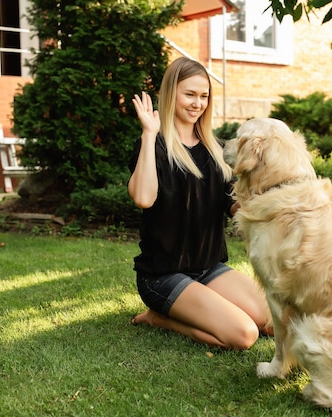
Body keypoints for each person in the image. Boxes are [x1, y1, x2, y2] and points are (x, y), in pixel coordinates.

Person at [128, 57, 272, 350]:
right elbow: (143, 198)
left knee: (271, 320)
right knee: (244, 335)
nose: (197, 103)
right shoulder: (153, 145)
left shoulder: (214, 149)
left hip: (208, 268)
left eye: (204, 95)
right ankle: (159, 317)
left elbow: (235, 206)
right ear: (171, 94)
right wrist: (148, 133)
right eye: (189, 94)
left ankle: (208, 305)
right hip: (163, 275)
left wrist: (265, 197)